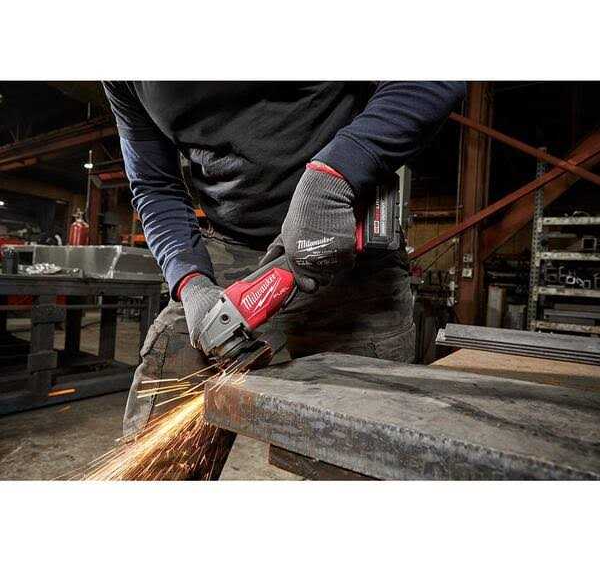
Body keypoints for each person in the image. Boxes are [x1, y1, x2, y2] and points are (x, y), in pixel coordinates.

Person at [103, 81, 466, 437]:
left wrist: (335, 176)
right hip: (229, 247)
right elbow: (154, 186)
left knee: (360, 441)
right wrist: (190, 281)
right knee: (161, 414)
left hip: (347, 233)